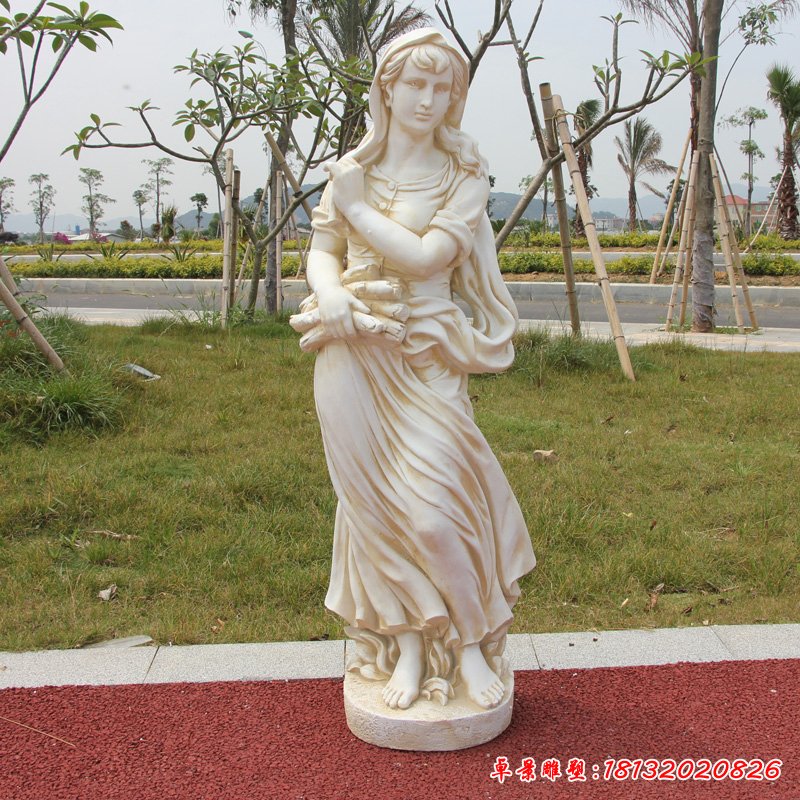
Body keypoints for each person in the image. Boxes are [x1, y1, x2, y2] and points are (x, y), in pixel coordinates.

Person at [293, 28, 536, 712]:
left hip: (426, 351)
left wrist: (356, 204)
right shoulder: (352, 168)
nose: (428, 100)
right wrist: (331, 294)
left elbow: (429, 258)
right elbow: (323, 250)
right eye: (415, 84)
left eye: (442, 88)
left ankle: (468, 643)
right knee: (372, 509)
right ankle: (406, 646)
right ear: (387, 89)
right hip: (351, 354)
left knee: (433, 513)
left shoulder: (462, 176)